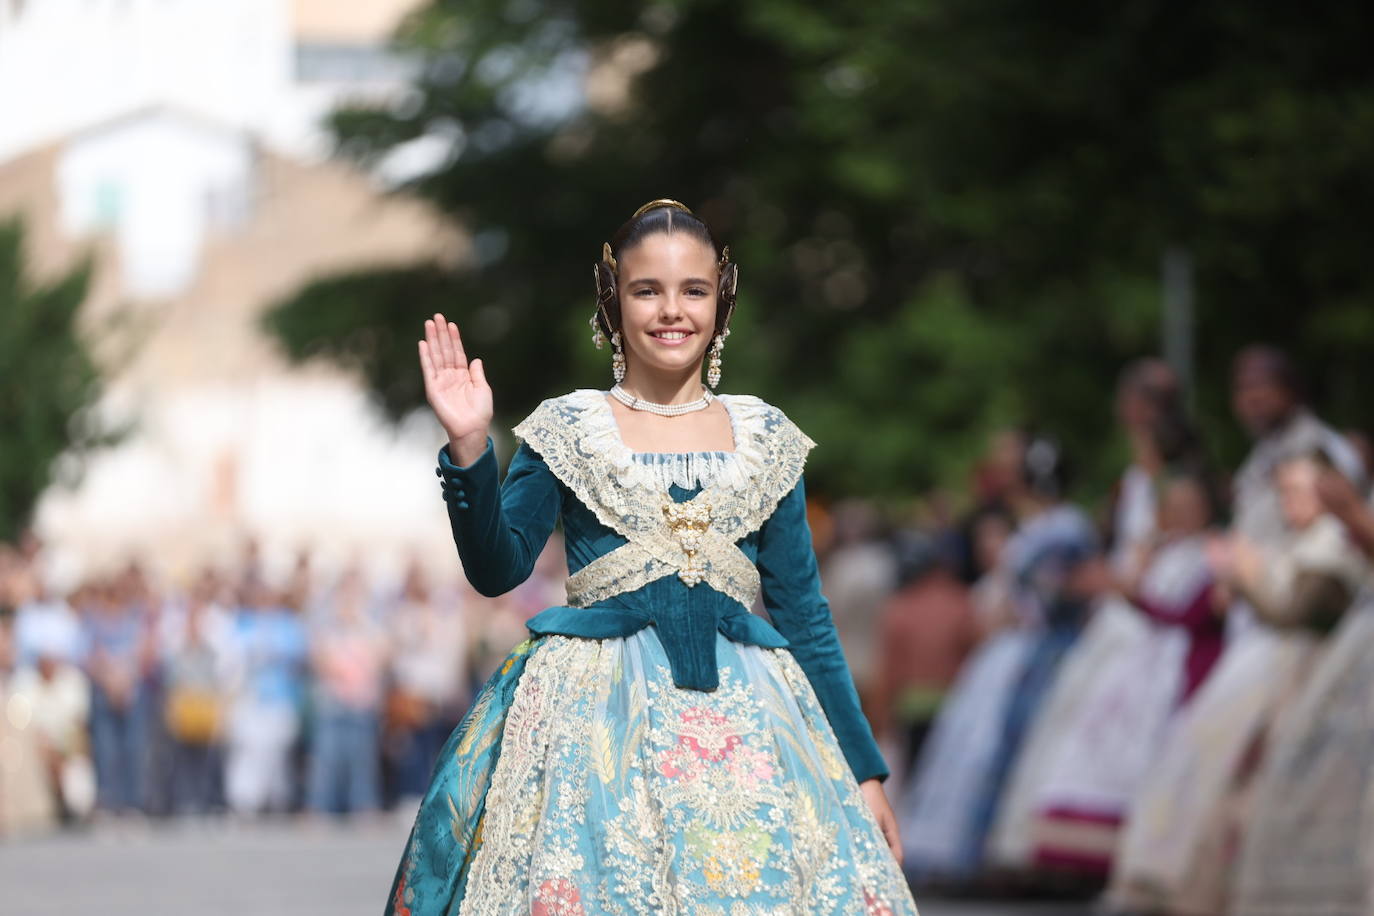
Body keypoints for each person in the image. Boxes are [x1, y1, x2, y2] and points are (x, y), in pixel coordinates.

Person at [386, 200, 916, 914]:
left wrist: (865, 772)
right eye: (648, 291)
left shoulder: (767, 437)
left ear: (721, 302)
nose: (673, 311)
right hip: (593, 734)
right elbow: (497, 568)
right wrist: (471, 447)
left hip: (754, 732)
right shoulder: (568, 427)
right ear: (613, 302)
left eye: (693, 290)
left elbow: (807, 619)